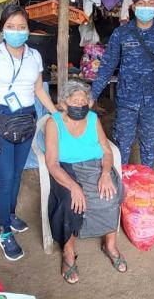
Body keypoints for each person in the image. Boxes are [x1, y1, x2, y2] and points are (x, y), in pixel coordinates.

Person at [0, 4, 57, 261]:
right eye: (10, 27)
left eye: (21, 27)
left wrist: (55, 114)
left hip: (26, 121)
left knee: (17, 175)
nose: (16, 31)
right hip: (0, 120)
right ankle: (4, 232)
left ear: (28, 30)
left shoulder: (35, 56)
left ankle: (10, 215)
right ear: (2, 29)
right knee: (6, 178)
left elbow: (39, 90)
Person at [45, 80, 126, 284]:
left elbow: (107, 151)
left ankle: (110, 245)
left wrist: (106, 173)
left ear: (89, 103)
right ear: (63, 103)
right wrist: (73, 186)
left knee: (111, 194)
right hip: (67, 170)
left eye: (84, 101)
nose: (80, 105)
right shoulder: (53, 123)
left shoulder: (93, 119)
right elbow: (52, 163)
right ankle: (68, 252)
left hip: (96, 166)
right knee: (72, 204)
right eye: (74, 101)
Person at [91, 0, 154, 168]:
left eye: (151, 3)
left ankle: (145, 188)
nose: (146, 7)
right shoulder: (121, 33)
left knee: (150, 146)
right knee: (122, 144)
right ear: (133, 6)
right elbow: (107, 65)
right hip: (127, 101)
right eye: (142, 3)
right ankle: (121, 187)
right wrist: (93, 95)